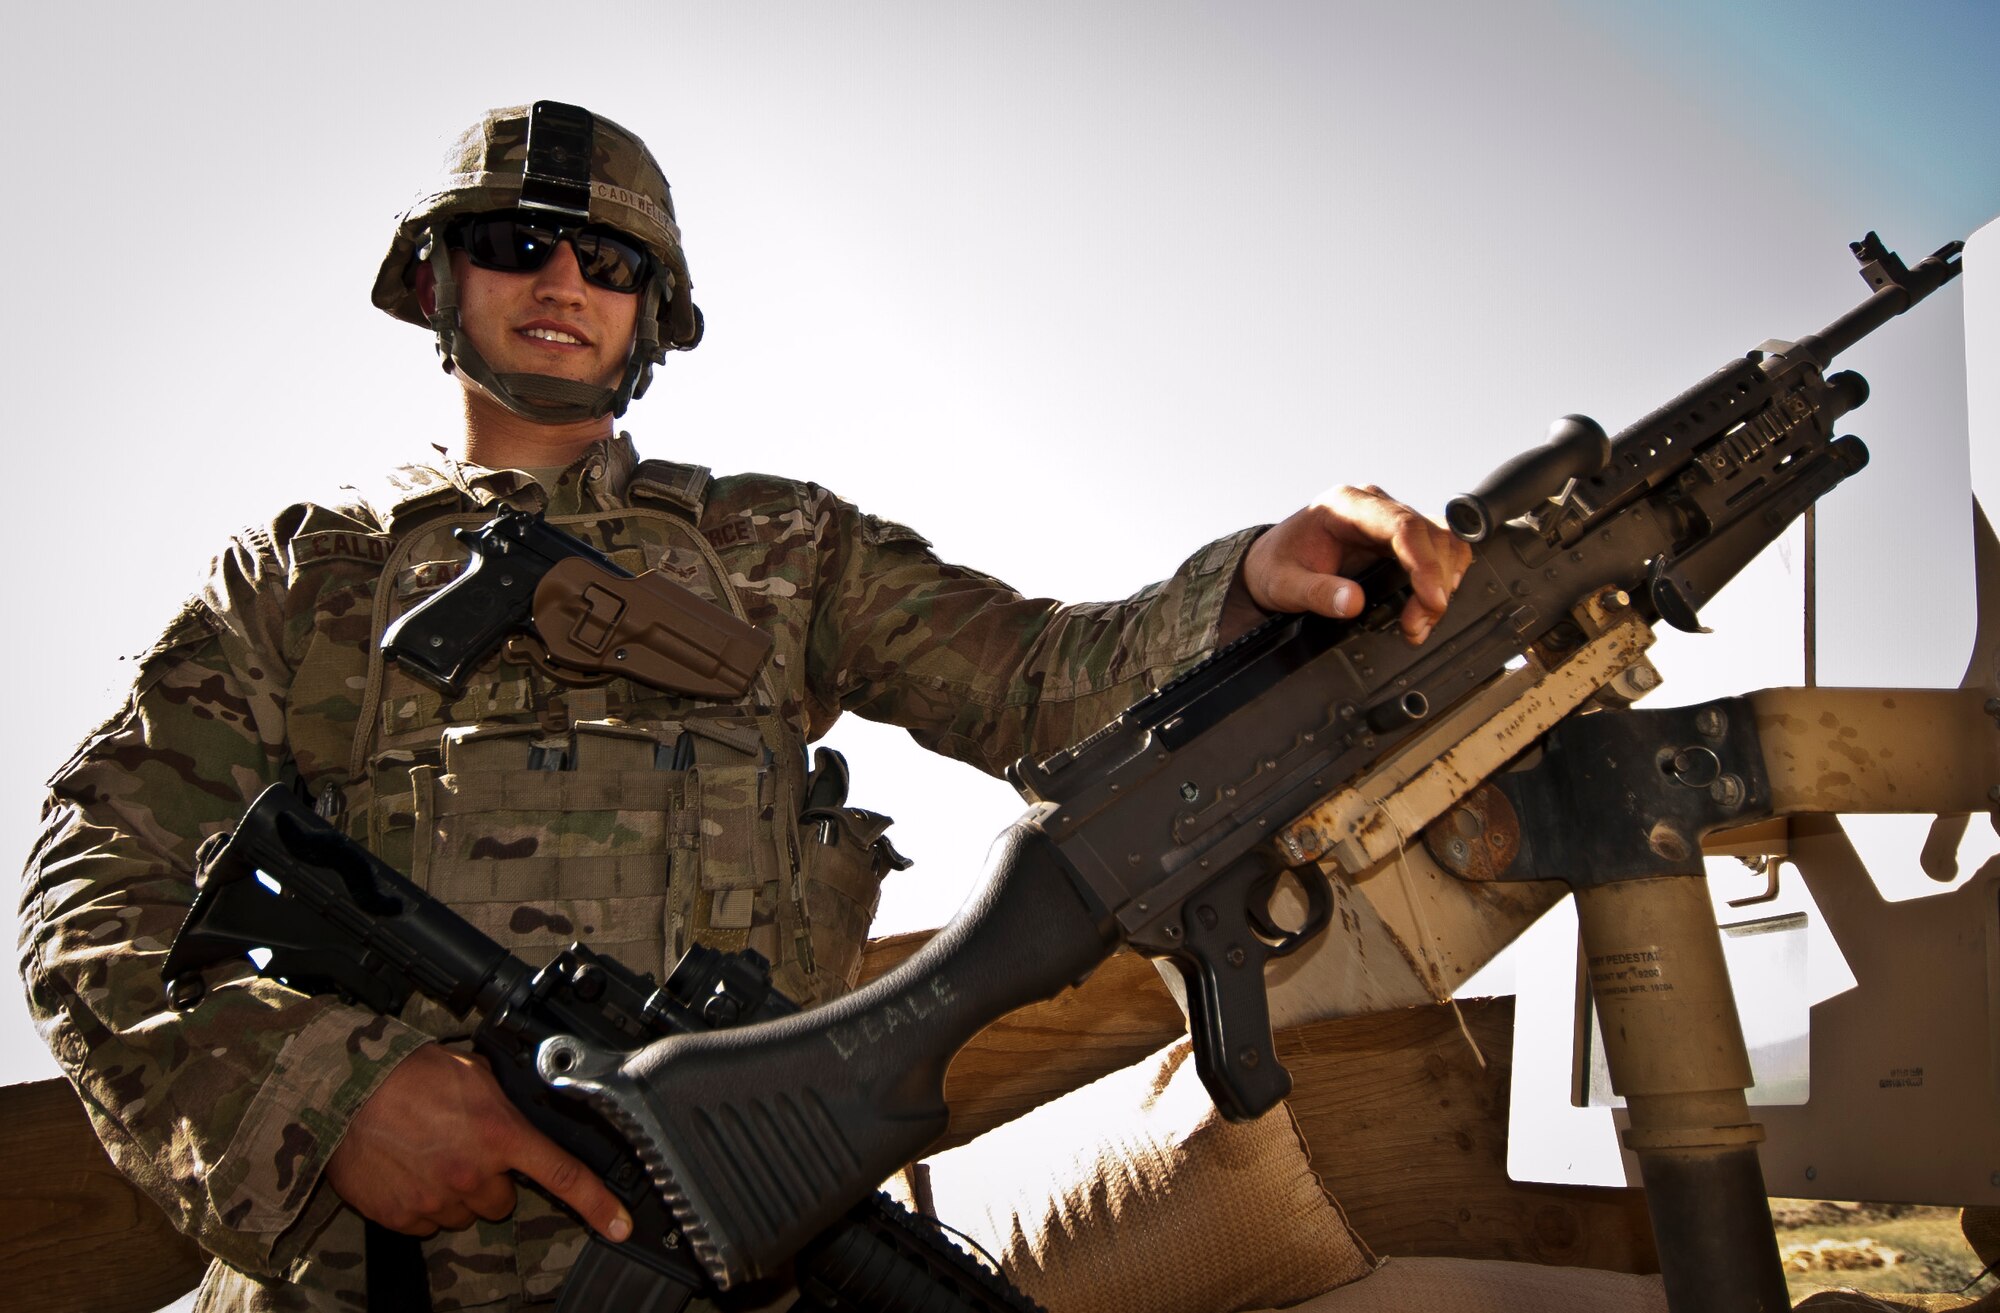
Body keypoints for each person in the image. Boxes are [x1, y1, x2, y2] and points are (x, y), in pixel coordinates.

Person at [18, 101, 1469, 1310]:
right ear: (438, 284)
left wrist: (1247, 585)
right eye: (516, 243)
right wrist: (328, 1094)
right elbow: (92, 874)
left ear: (654, 311)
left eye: (608, 259)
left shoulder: (780, 551)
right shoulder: (301, 580)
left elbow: (1040, 677)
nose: (561, 280)